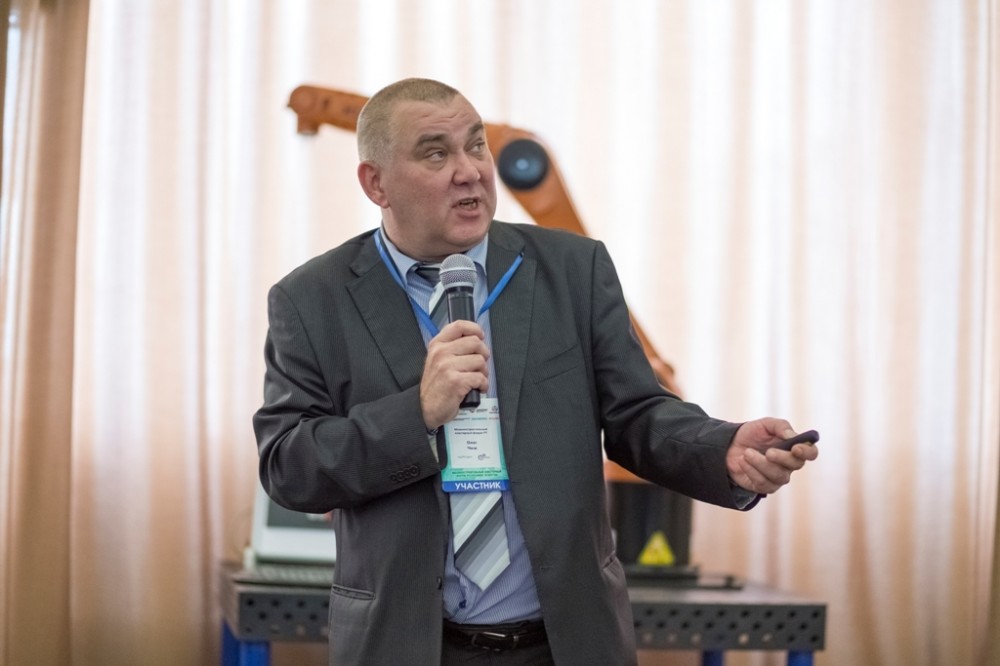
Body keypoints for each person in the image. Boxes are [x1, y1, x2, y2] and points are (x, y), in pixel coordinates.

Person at [252, 77, 818, 666]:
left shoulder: (572, 269)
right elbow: (289, 467)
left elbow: (636, 414)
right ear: (376, 183)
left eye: (476, 146)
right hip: (406, 645)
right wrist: (416, 414)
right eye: (436, 154)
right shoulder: (312, 300)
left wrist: (723, 449)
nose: (470, 171)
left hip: (565, 643)